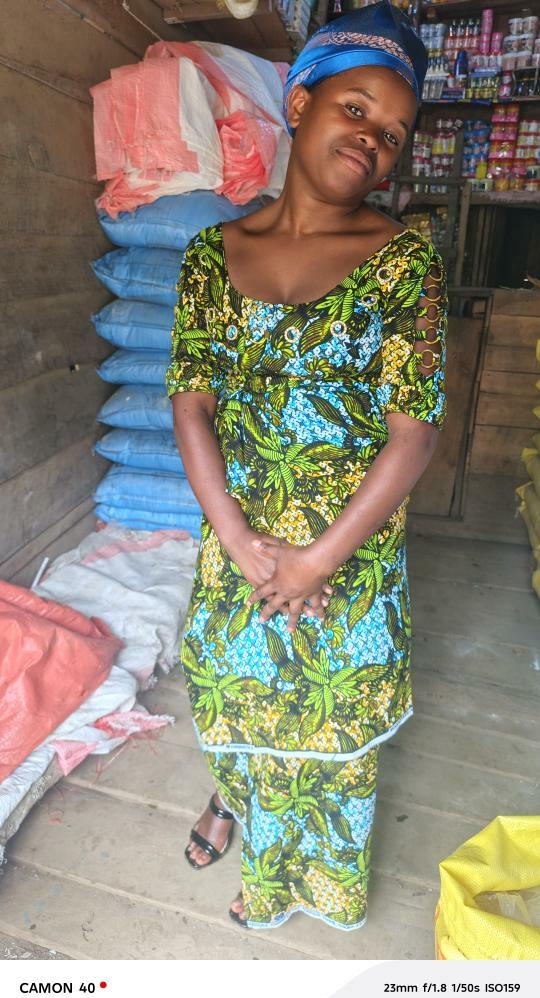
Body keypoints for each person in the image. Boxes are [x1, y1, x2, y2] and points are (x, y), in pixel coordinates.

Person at [166, 0, 447, 932]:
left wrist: (317, 559)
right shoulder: (211, 258)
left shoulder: (405, 264)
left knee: (325, 726)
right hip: (240, 546)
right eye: (357, 108)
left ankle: (296, 884)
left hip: (346, 556)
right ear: (299, 102)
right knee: (237, 691)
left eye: (393, 133)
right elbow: (192, 404)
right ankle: (235, 797)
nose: (373, 138)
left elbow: (413, 434)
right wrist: (243, 543)